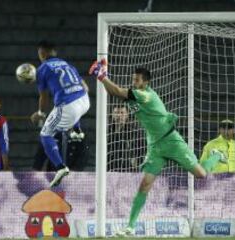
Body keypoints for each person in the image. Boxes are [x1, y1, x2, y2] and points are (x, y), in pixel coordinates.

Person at [89, 59, 214, 236]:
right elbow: (114, 92)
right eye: (134, 79)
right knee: (144, 185)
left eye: (138, 80)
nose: (135, 82)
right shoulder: (135, 94)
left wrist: (101, 76)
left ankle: (215, 156)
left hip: (171, 141)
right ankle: (130, 227)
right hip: (155, 146)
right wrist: (102, 77)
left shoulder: (146, 95)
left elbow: (116, 90)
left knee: (201, 174)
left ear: (146, 82)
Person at [30, 40, 90, 187]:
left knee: (45, 135)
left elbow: (44, 96)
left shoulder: (42, 69)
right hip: (85, 101)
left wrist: (40, 113)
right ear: (54, 52)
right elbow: (86, 87)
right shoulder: (67, 64)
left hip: (68, 107)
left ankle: (60, 167)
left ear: (42, 54)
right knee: (67, 114)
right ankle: (77, 129)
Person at [108, 106, 140, 171]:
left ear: (127, 115)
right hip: (109, 168)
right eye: (116, 112)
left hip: (128, 170)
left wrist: (137, 161)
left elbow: (141, 150)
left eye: (122, 112)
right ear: (112, 114)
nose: (119, 115)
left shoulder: (134, 132)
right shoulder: (107, 131)